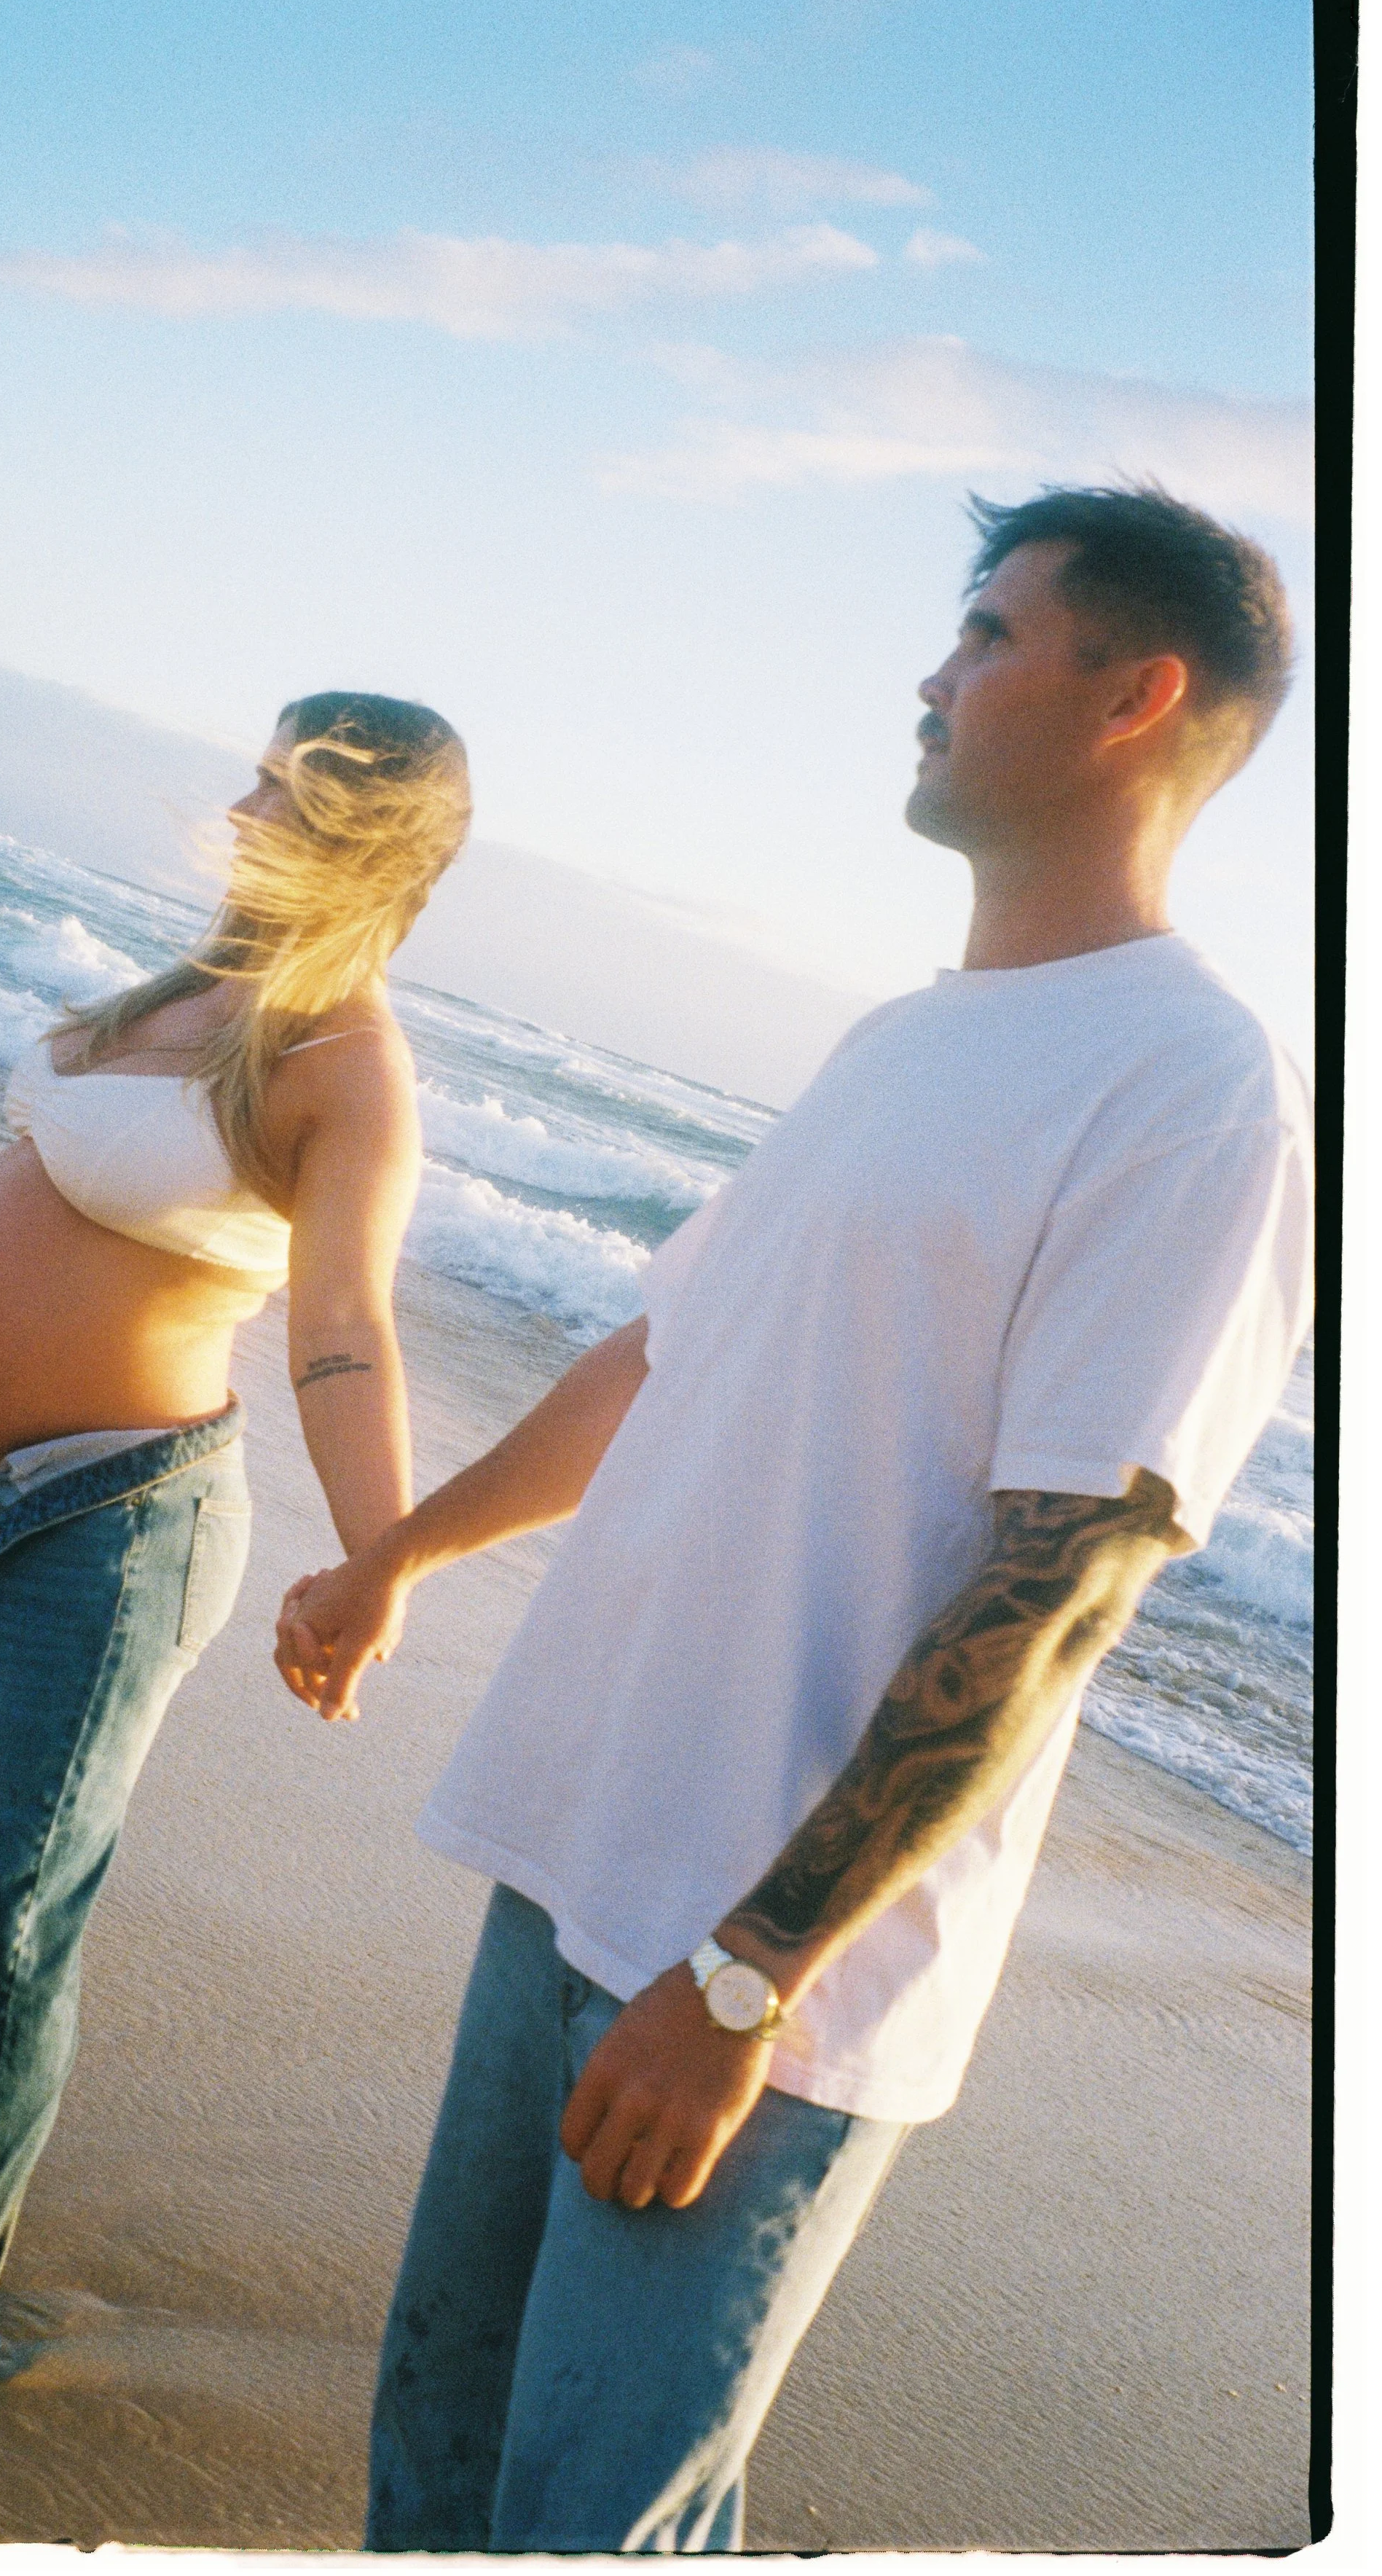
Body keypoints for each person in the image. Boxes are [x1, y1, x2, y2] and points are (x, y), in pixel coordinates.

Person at [276, 489, 1314, 2553]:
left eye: (986, 635)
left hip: (764, 1973)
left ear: (1136, 697)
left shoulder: (1195, 1089)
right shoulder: (900, 1040)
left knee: (593, 2526)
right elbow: (653, 1359)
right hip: (577, 1858)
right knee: (438, 2467)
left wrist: (749, 1978)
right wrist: (401, 1550)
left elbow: (1065, 1580)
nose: (930, 679)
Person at [0, 692, 471, 2385]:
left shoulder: (345, 1067)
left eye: (301, 794)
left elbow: (341, 1320)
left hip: (99, 1532)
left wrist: (378, 1554)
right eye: (264, 772)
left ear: (380, 849)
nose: (250, 805)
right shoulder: (185, 991)